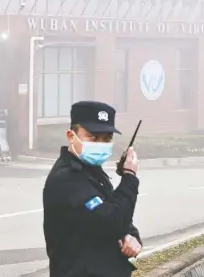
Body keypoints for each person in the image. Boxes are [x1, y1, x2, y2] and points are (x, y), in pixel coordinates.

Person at [43, 101, 142, 277]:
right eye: (93, 137)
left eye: (107, 139)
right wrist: (129, 177)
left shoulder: (93, 173)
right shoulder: (66, 178)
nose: (101, 144)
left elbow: (120, 216)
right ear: (71, 136)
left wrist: (131, 236)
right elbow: (111, 220)